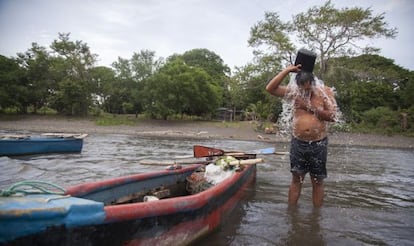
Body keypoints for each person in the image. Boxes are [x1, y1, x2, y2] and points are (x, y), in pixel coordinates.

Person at [265, 64, 337, 207]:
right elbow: (270, 88)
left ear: (313, 83)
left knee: (317, 181)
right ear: (298, 85)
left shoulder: (325, 92)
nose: (305, 91)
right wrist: (287, 70)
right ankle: (291, 214)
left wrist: (307, 106)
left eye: (308, 88)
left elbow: (333, 116)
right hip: (299, 143)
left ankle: (316, 217)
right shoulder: (294, 92)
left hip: (319, 143)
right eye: (301, 88)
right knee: (296, 179)